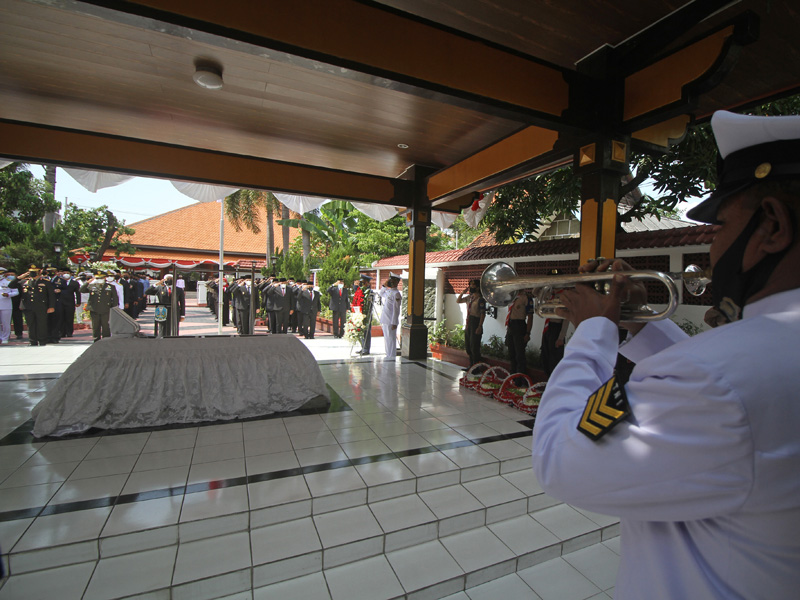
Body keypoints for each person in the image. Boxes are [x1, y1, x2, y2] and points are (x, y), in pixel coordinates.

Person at [531, 111, 800, 600]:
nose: (712, 244)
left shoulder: (714, 379)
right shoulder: (748, 358)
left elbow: (559, 458)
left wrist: (594, 329)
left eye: (719, 226)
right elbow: (721, 373)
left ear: (773, 227)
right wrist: (635, 321)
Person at [20, 265, 55, 346]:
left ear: (39, 272)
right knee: (30, 324)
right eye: (31, 272)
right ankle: (32, 341)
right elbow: (11, 285)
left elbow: (51, 295)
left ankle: (42, 340)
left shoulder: (45, 282)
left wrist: (51, 306)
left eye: (35, 272)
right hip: (28, 306)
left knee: (41, 324)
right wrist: (20, 277)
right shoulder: (25, 282)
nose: (33, 273)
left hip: (41, 306)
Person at [80, 270, 119, 342]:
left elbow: (115, 298)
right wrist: (88, 282)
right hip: (94, 309)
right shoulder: (92, 286)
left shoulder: (110, 287)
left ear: (105, 278)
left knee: (105, 326)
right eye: (97, 278)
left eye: (101, 278)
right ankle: (96, 340)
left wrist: (113, 308)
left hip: (106, 309)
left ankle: (106, 340)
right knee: (95, 326)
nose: (99, 280)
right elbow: (82, 290)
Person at [457, 279, 486, 367]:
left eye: (473, 285)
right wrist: (463, 292)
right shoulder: (469, 297)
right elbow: (458, 301)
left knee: (474, 346)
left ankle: (476, 366)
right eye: (470, 285)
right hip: (469, 321)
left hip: (476, 322)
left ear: (477, 288)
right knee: (468, 345)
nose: (470, 287)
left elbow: (482, 314)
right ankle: (471, 365)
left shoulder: (480, 299)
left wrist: (479, 326)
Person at [504, 289, 534, 374]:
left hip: (520, 326)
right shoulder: (512, 297)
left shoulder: (526, 298)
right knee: (511, 353)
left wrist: (528, 333)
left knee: (519, 355)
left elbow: (530, 317)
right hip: (511, 326)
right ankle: (512, 375)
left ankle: (520, 377)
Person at [378, 275, 402, 360]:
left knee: (391, 339)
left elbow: (396, 310)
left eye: (392, 281)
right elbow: (380, 294)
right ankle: (388, 354)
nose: (391, 283)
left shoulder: (396, 294)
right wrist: (384, 286)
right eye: (390, 281)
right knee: (387, 338)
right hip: (385, 319)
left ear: (396, 282)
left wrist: (394, 322)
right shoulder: (389, 292)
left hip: (391, 321)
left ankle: (392, 356)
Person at [352, 275, 374, 354]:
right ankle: (363, 347)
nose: (362, 284)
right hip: (360, 314)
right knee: (361, 332)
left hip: (366, 315)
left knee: (366, 333)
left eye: (363, 282)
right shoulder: (361, 290)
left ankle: (366, 349)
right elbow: (357, 295)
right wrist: (355, 286)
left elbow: (369, 304)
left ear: (367, 283)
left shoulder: (370, 292)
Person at [57, 268, 81, 338]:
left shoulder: (75, 283)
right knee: (61, 317)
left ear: (70, 274)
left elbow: (78, 293)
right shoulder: (59, 282)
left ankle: (69, 332)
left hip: (70, 302)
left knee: (69, 318)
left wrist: (78, 302)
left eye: (67, 273)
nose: (66, 274)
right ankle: (62, 332)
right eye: (64, 273)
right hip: (60, 302)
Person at [0, 268, 20, 344]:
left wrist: (8, 294)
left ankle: (5, 337)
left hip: (6, 305)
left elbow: (16, 292)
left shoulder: (9, 282)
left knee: (5, 323)